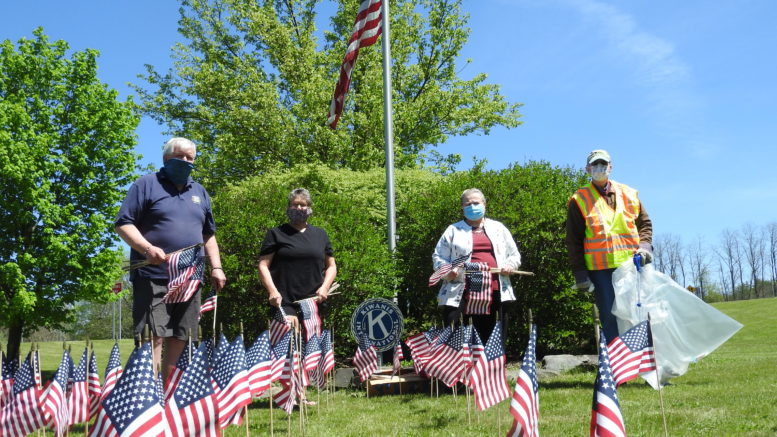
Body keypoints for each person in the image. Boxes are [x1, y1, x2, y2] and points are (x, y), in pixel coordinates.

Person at [115, 137, 226, 381]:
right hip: (153, 276)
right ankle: (149, 398)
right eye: (180, 156)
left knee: (182, 336)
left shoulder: (199, 192)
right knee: (152, 336)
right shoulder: (145, 185)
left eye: (191, 158)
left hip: (190, 278)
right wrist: (146, 248)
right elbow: (123, 224)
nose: (186, 162)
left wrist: (216, 267)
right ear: (166, 159)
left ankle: (170, 395)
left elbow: (208, 235)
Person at [566, 149, 653, 342]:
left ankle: (645, 362)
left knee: (640, 311)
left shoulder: (629, 193)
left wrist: (645, 247)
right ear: (587, 169)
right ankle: (613, 367)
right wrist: (580, 274)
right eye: (595, 165)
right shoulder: (578, 199)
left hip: (632, 265)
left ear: (611, 167)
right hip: (600, 270)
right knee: (608, 316)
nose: (599, 168)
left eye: (603, 165)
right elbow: (573, 239)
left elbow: (645, 224)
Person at [432, 188, 522, 341]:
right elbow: (438, 256)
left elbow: (514, 255)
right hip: (460, 290)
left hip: (495, 290)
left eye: (476, 203)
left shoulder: (499, 228)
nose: (473, 206)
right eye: (468, 204)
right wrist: (448, 271)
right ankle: (458, 365)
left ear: (484, 204)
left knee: (493, 336)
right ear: (462, 207)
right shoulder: (453, 230)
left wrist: (510, 265)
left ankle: (492, 365)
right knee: (455, 336)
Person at [258, 188, 337, 333]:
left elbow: (331, 266)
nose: (299, 208)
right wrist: (272, 291)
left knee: (312, 350)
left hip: (314, 303)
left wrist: (325, 287)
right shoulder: (276, 233)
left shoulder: (321, 234)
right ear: (288, 207)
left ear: (309, 208)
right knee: (288, 349)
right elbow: (263, 265)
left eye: (303, 204)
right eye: (294, 205)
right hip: (284, 302)